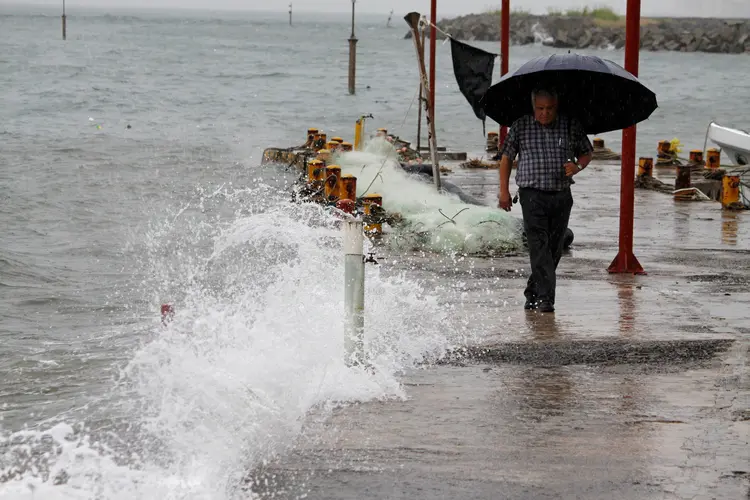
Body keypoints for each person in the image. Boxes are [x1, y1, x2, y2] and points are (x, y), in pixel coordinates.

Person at [497, 88, 593, 313]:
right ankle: (545, 299)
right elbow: (506, 158)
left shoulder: (569, 125)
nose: (544, 113)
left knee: (554, 249)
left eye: (549, 109)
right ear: (533, 107)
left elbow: (587, 152)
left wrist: (577, 166)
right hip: (532, 195)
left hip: (561, 195)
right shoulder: (521, 126)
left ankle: (533, 291)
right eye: (540, 108)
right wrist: (503, 191)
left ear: (556, 107)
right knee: (539, 246)